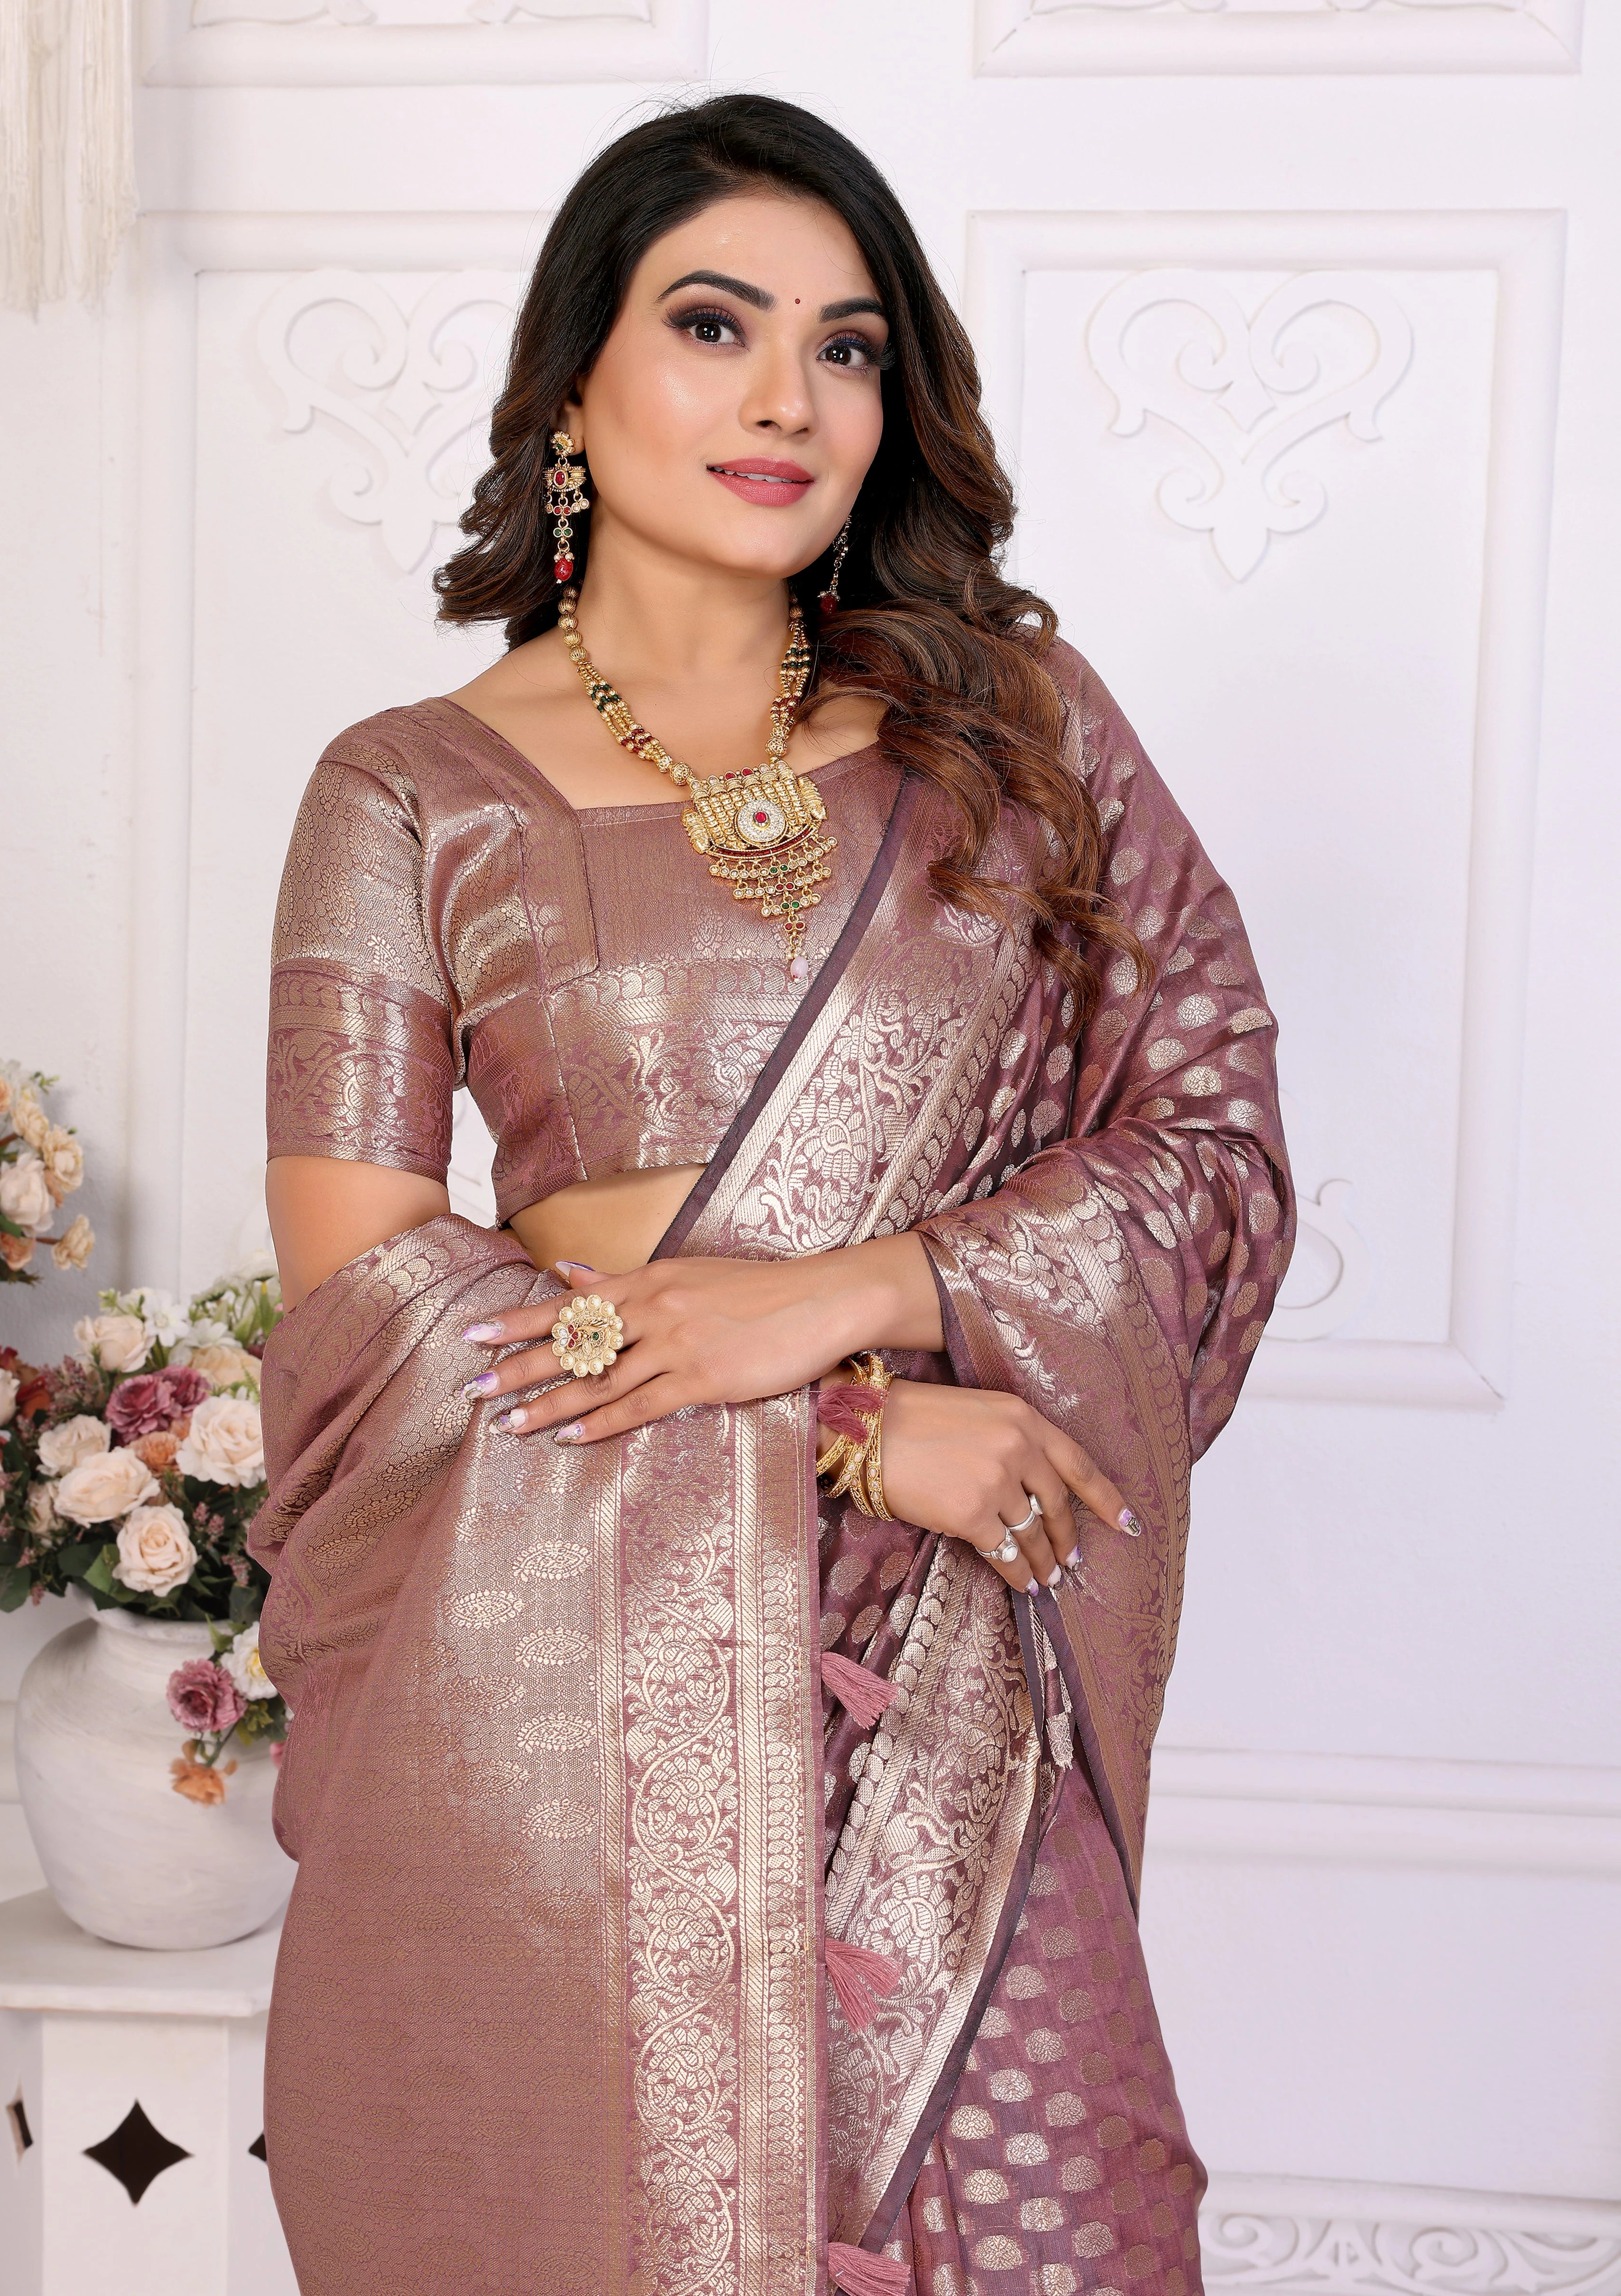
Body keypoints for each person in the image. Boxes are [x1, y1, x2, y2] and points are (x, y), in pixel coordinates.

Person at [252, 91, 1293, 2296]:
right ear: (573, 383)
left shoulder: (1023, 739)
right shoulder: (409, 793)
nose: (788, 400)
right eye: (715, 325)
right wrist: (845, 1427)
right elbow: (367, 1314)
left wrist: (865, 1286)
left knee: (1061, 2221)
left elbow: (1212, 1149)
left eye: (847, 348)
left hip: (957, 1690)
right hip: (584, 1712)